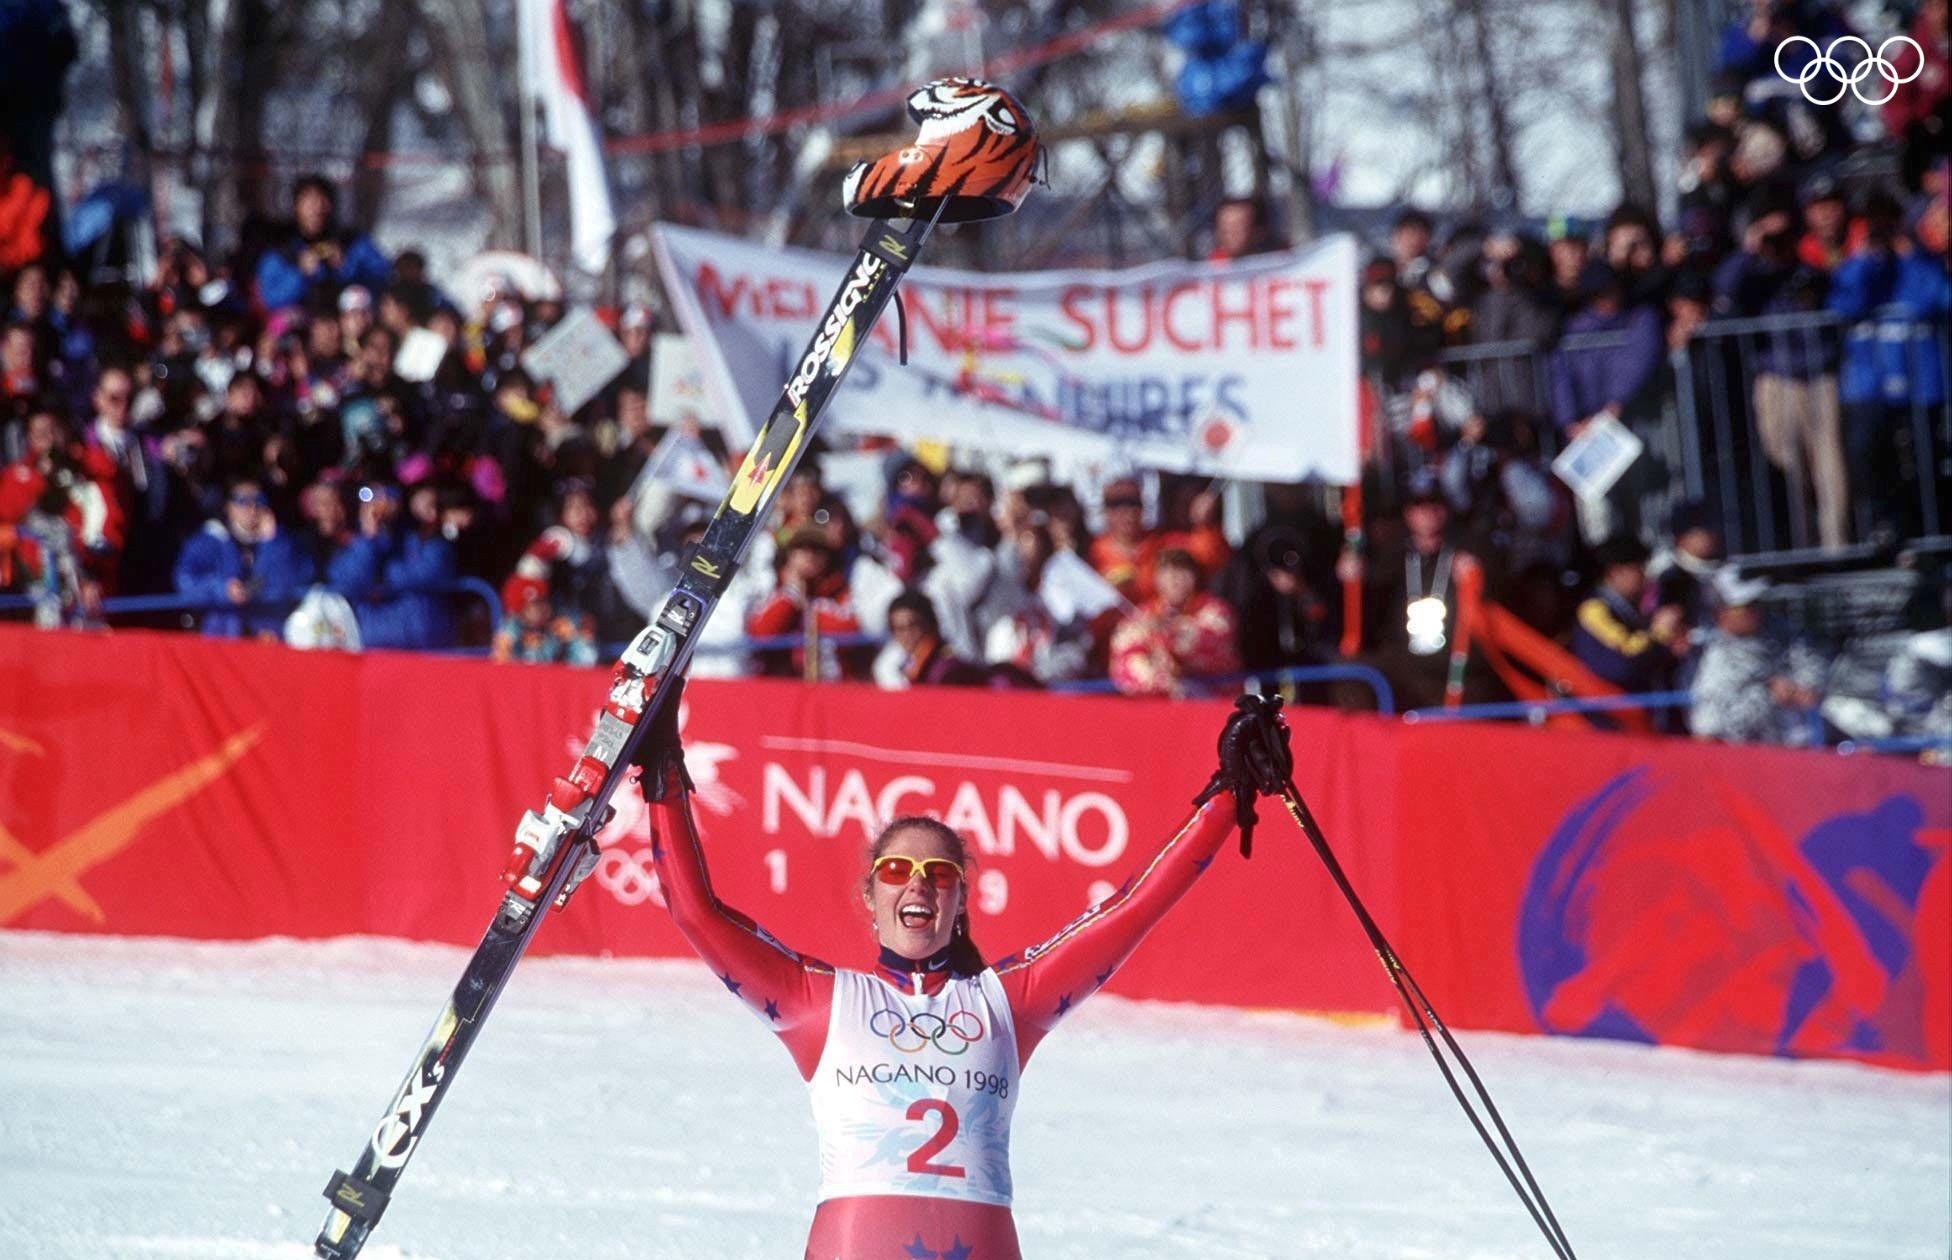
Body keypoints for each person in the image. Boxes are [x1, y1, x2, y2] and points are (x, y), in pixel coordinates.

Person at [627, 685, 1290, 1260]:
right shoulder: (819, 1001)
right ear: (870, 895)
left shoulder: (1009, 1001)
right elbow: (698, 913)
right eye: (896, 871)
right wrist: (663, 772)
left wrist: (1228, 801)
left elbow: (1129, 910)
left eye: (939, 874)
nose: (918, 884)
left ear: (961, 898)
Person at [1688, 570, 1825, 745]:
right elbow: (1707, 729)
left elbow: (1813, 666)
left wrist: (1804, 688)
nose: (1754, 611)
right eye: (1742, 606)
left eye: (1756, 603)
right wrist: (1769, 693)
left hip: (1801, 742)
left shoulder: (1783, 632)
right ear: (1720, 614)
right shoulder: (1711, 654)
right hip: (1745, 752)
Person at [171, 477, 314, 639]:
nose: (251, 507)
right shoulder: (210, 540)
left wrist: (271, 542)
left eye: (258, 500)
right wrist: (223, 590)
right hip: (223, 636)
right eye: (242, 501)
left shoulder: (281, 542)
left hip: (267, 635)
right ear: (228, 507)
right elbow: (185, 580)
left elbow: (290, 582)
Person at [1108, 548, 1240, 697]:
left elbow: (1210, 642)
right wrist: (1162, 679)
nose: (1174, 579)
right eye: (1166, 573)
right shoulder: (1142, 616)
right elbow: (1123, 664)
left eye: (1182, 572)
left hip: (1214, 701)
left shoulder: (1216, 611)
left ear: (1195, 576)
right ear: (1156, 579)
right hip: (1161, 707)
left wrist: (1168, 632)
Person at [254, 174, 390, 312]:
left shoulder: (353, 242)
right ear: (296, 206)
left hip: (344, 325)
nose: (316, 208)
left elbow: (383, 280)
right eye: (308, 201)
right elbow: (270, 299)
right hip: (299, 326)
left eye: (322, 200)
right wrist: (300, 274)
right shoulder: (281, 247)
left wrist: (345, 267)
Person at [875, 589, 989, 689]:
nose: (907, 634)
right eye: (900, 629)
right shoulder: (895, 666)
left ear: (930, 624)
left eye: (913, 625)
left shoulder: (948, 669)